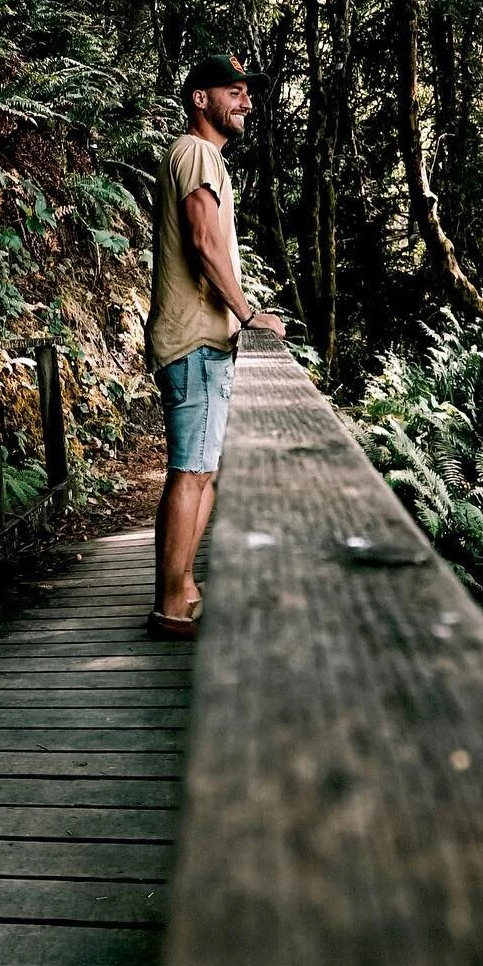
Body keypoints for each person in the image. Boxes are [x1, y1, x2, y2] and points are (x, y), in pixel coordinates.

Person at [144, 55, 285, 640]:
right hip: (195, 338)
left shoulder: (200, 157)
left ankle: (181, 588)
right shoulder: (196, 153)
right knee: (191, 473)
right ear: (201, 99)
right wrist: (248, 313)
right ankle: (169, 605)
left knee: (202, 472)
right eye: (234, 91)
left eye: (247, 93)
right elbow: (203, 243)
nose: (246, 102)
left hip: (202, 339)